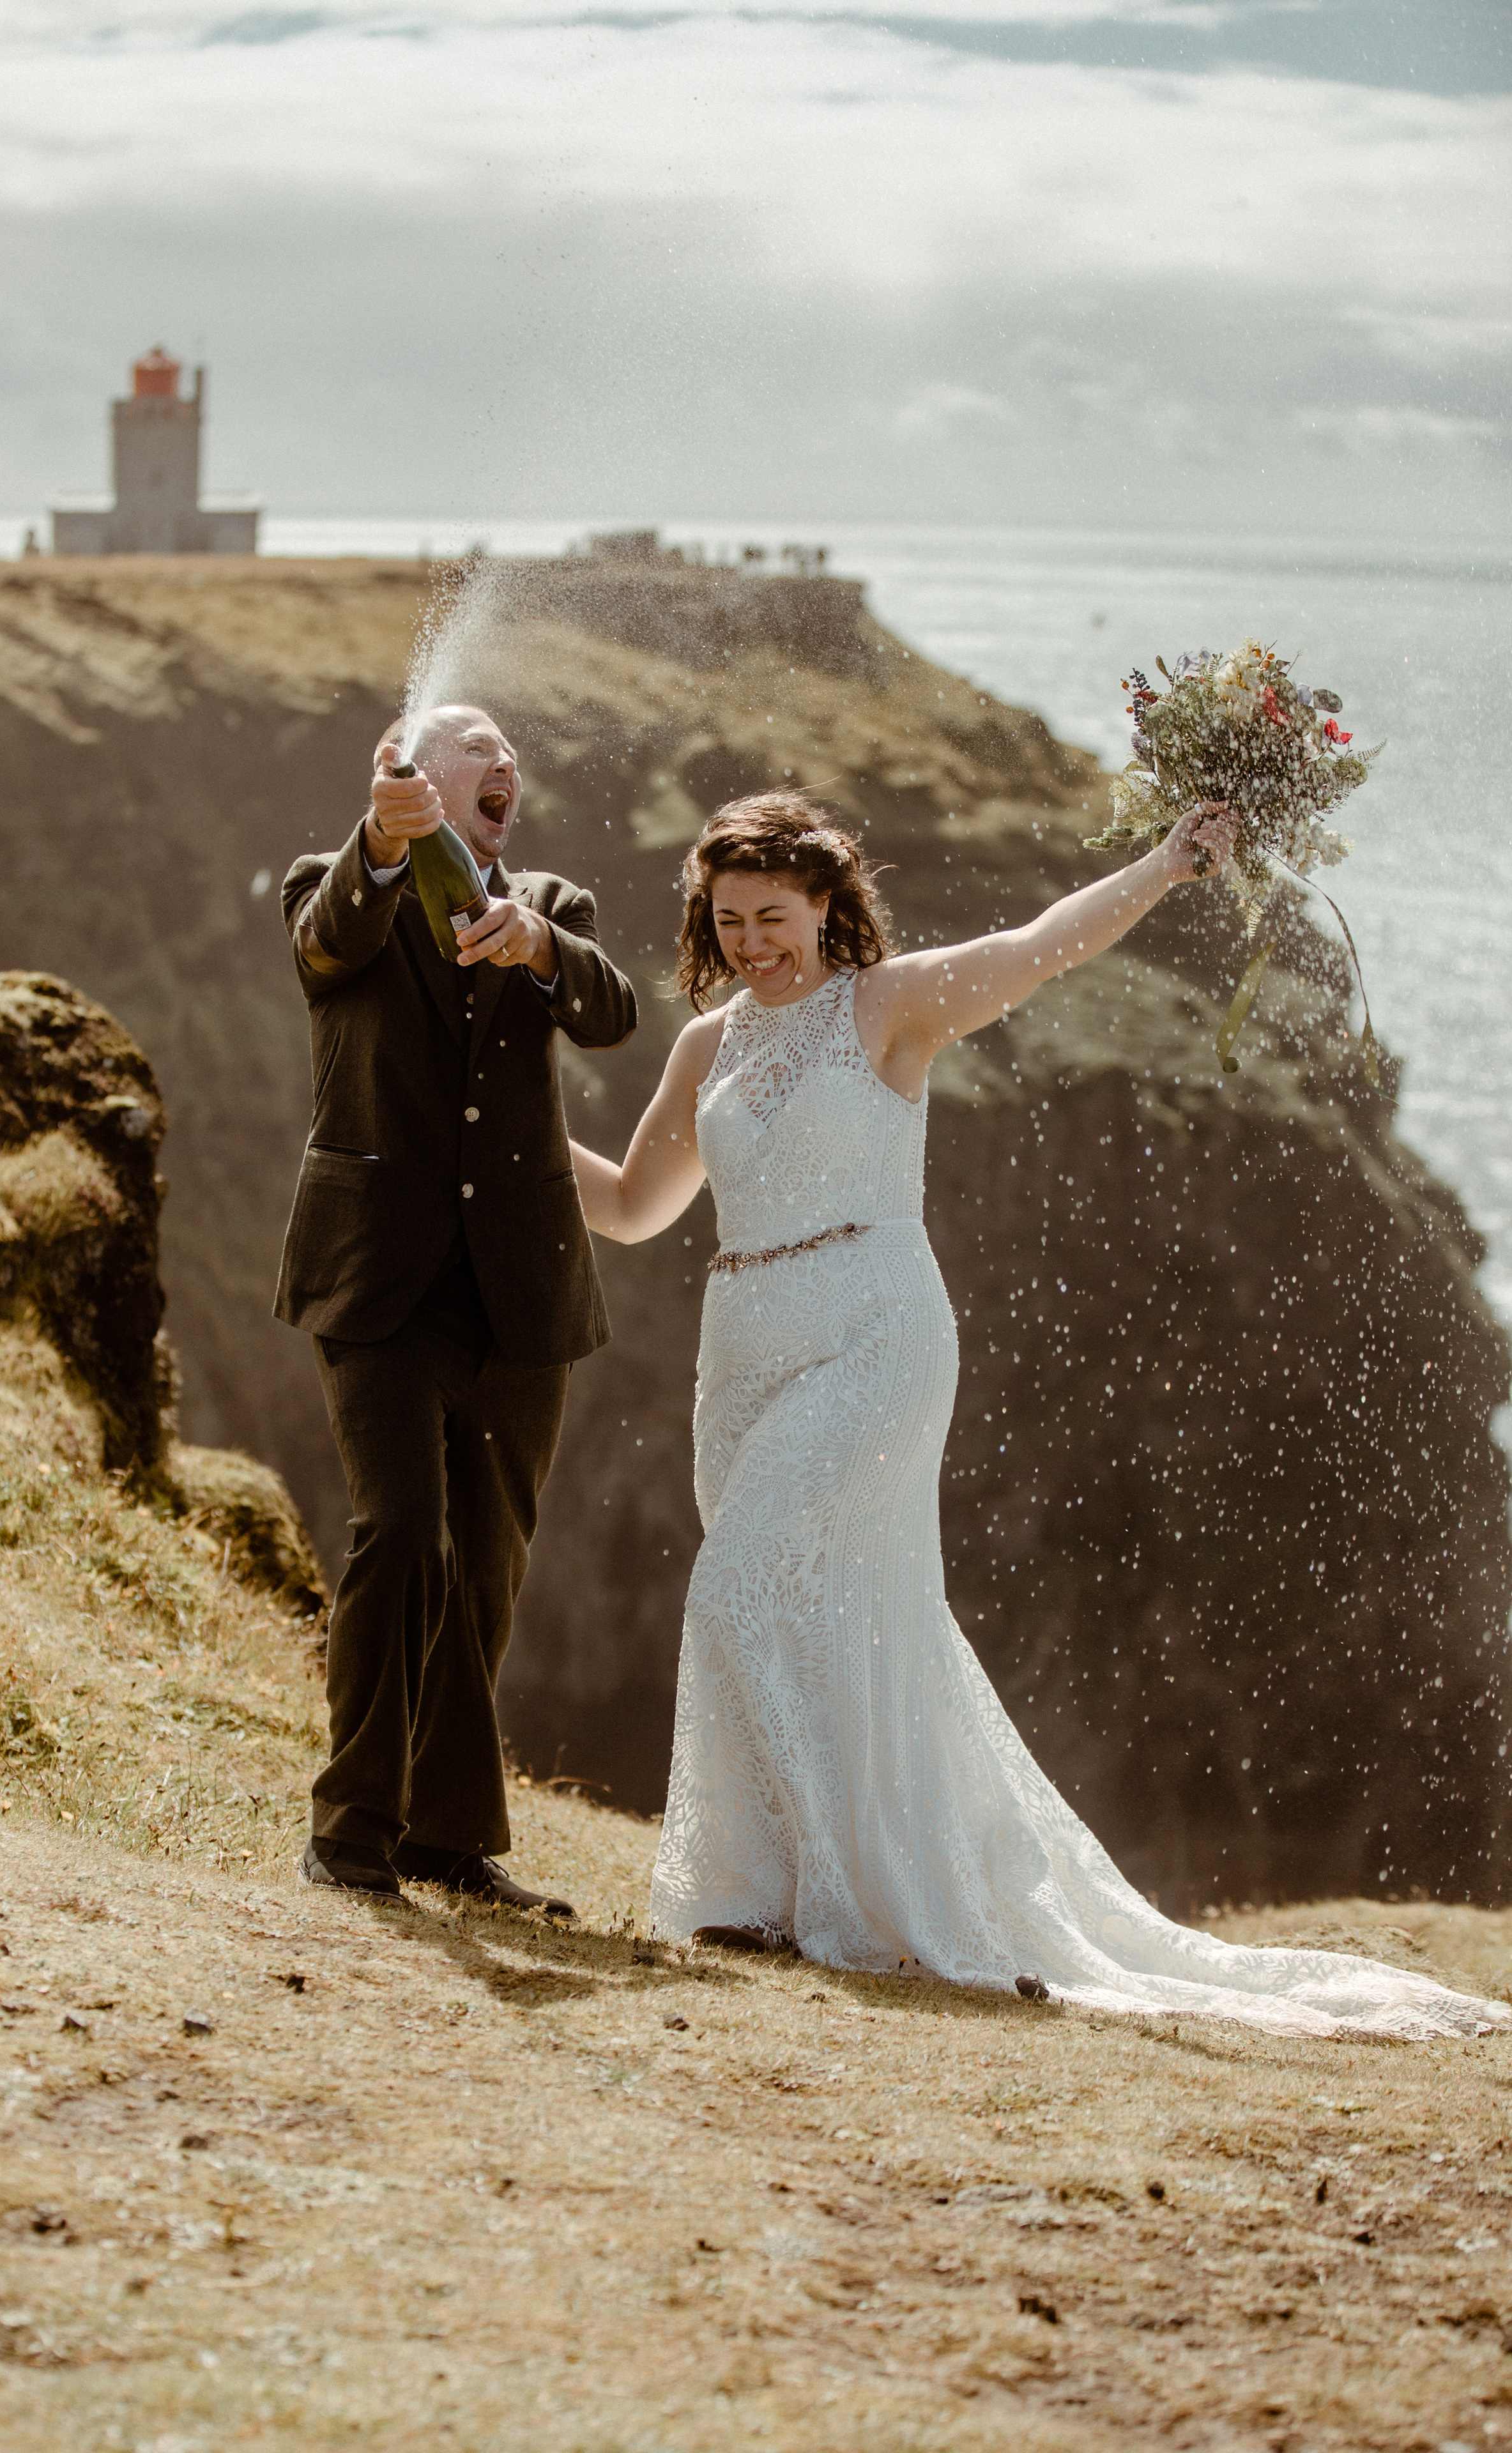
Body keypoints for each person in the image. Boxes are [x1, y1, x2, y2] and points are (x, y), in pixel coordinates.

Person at [567, 789, 1508, 2037]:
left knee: (740, 1582)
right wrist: (505, 1117)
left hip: (871, 1330)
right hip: (740, 1346)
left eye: (774, 916)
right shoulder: (710, 1045)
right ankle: (770, 1894)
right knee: (823, 1612)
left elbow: (1038, 947)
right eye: (728, 919)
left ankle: (856, 1896)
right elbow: (634, 1206)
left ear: (827, 907)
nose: (751, 942)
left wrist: (1165, 866)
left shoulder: (886, 1005)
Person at [276, 707, 638, 1902]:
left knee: (486, 1565)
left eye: (506, 748)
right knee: (401, 1539)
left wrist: (538, 943)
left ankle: (449, 1839)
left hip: (522, 1290)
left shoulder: (550, 901)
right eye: (473, 742)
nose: (502, 759)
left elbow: (610, 1013)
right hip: (380, 1281)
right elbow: (328, 945)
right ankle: (352, 1830)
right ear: (411, 776)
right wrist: (378, 849)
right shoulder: (333, 885)